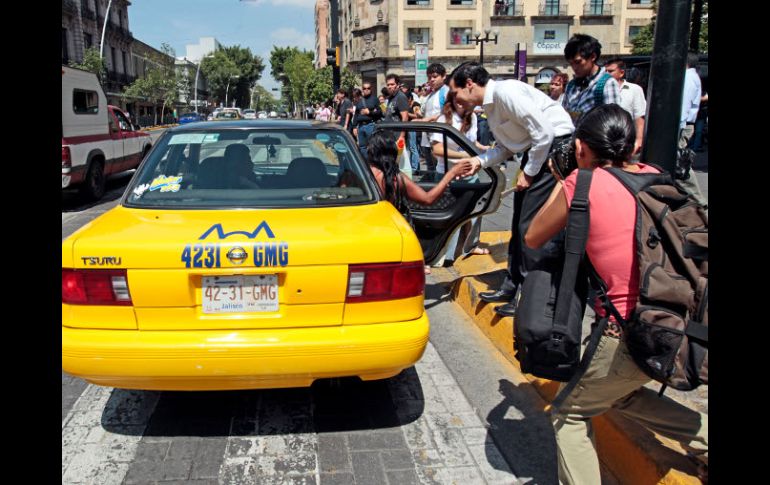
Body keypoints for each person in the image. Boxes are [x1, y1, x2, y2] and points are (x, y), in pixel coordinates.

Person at [524, 104, 708, 485]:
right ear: (631, 144)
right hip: (674, 320)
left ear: (580, 148)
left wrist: (564, 180)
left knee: (569, 415)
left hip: (625, 331)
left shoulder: (582, 184)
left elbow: (533, 236)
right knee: (614, 393)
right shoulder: (658, 177)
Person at [449, 61, 574, 317]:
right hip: (536, 154)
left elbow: (544, 133)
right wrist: (478, 161)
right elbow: (508, 146)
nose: (455, 99)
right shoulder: (492, 106)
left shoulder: (507, 93)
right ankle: (511, 285)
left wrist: (528, 174)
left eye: (456, 92)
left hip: (550, 153)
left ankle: (527, 296)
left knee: (529, 228)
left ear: (469, 84)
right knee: (519, 223)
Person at [366, 130, 471, 274]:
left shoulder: (359, 174)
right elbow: (428, 199)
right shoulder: (396, 178)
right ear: (392, 151)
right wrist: (450, 174)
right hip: (392, 236)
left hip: (365, 232)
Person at [429, 90, 490, 265]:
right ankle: (442, 255)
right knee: (449, 216)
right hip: (448, 175)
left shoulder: (473, 118)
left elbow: (471, 142)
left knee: (475, 211)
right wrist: (463, 156)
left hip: (469, 173)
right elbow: (437, 150)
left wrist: (483, 149)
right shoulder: (444, 120)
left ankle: (469, 246)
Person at [561, 34, 620, 123]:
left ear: (593, 57)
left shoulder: (607, 83)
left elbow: (612, 122)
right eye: (571, 63)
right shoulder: (571, 85)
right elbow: (562, 115)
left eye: (578, 62)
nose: (574, 67)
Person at [678, 52, 708, 212]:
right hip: (685, 124)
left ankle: (699, 202)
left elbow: (683, 105)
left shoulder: (688, 78)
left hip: (682, 125)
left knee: (680, 165)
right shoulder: (693, 76)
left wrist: (677, 127)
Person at [604, 58, 646, 156]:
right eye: (605, 71)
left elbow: (639, 117)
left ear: (621, 73)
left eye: (610, 71)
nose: (606, 74)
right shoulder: (600, 89)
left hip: (627, 141)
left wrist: (639, 140)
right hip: (605, 140)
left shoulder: (634, 89)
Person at [417, 63, 450, 172]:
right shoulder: (430, 95)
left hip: (439, 139)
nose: (431, 80)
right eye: (429, 77)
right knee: (430, 168)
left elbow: (448, 113)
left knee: (440, 169)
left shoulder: (446, 92)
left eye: (435, 77)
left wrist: (428, 120)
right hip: (427, 138)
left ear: (444, 76)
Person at [353, 82, 384, 159]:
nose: (366, 90)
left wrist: (369, 112)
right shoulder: (360, 100)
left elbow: (380, 112)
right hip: (360, 126)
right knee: (362, 147)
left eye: (368, 88)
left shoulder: (375, 99)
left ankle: (373, 164)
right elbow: (356, 114)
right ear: (362, 90)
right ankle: (366, 164)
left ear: (371, 89)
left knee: (372, 146)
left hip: (370, 125)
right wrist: (354, 127)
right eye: (364, 88)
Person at [384, 74, 411, 145]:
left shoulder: (401, 97)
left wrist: (402, 136)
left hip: (398, 137)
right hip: (390, 136)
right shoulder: (391, 98)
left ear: (398, 85)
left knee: (400, 156)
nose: (389, 87)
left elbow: (405, 118)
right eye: (388, 85)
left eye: (392, 84)